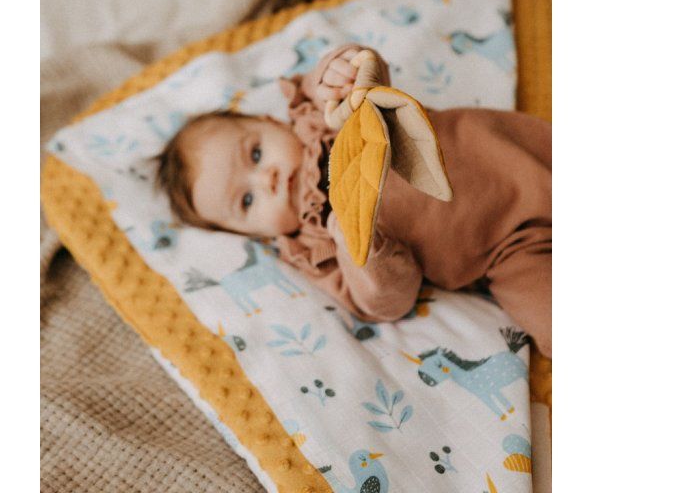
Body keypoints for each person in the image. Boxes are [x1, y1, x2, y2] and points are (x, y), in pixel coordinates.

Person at [153, 44, 552, 357]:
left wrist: (334, 73)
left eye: (256, 154)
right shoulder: (317, 250)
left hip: (496, 151)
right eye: (246, 200)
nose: (267, 179)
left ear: (272, 122)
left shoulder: (320, 118)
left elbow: (367, 76)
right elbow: (388, 304)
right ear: (254, 235)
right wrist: (359, 250)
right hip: (508, 251)